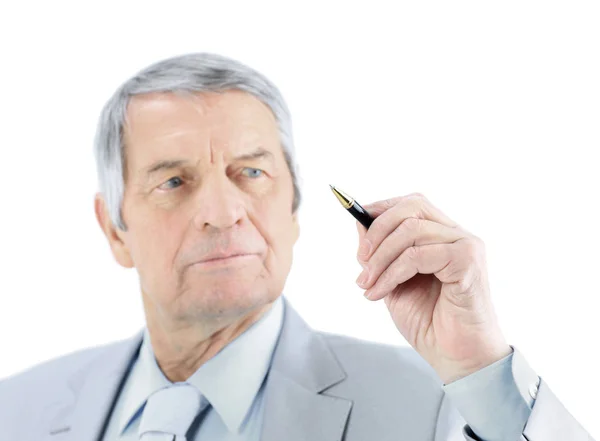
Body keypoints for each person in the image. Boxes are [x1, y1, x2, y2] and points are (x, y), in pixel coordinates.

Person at [0, 52, 593, 441]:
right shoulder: (16, 411)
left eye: (251, 173)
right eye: (174, 182)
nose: (223, 212)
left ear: (295, 207)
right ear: (113, 229)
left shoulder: (437, 410)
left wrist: (480, 371)